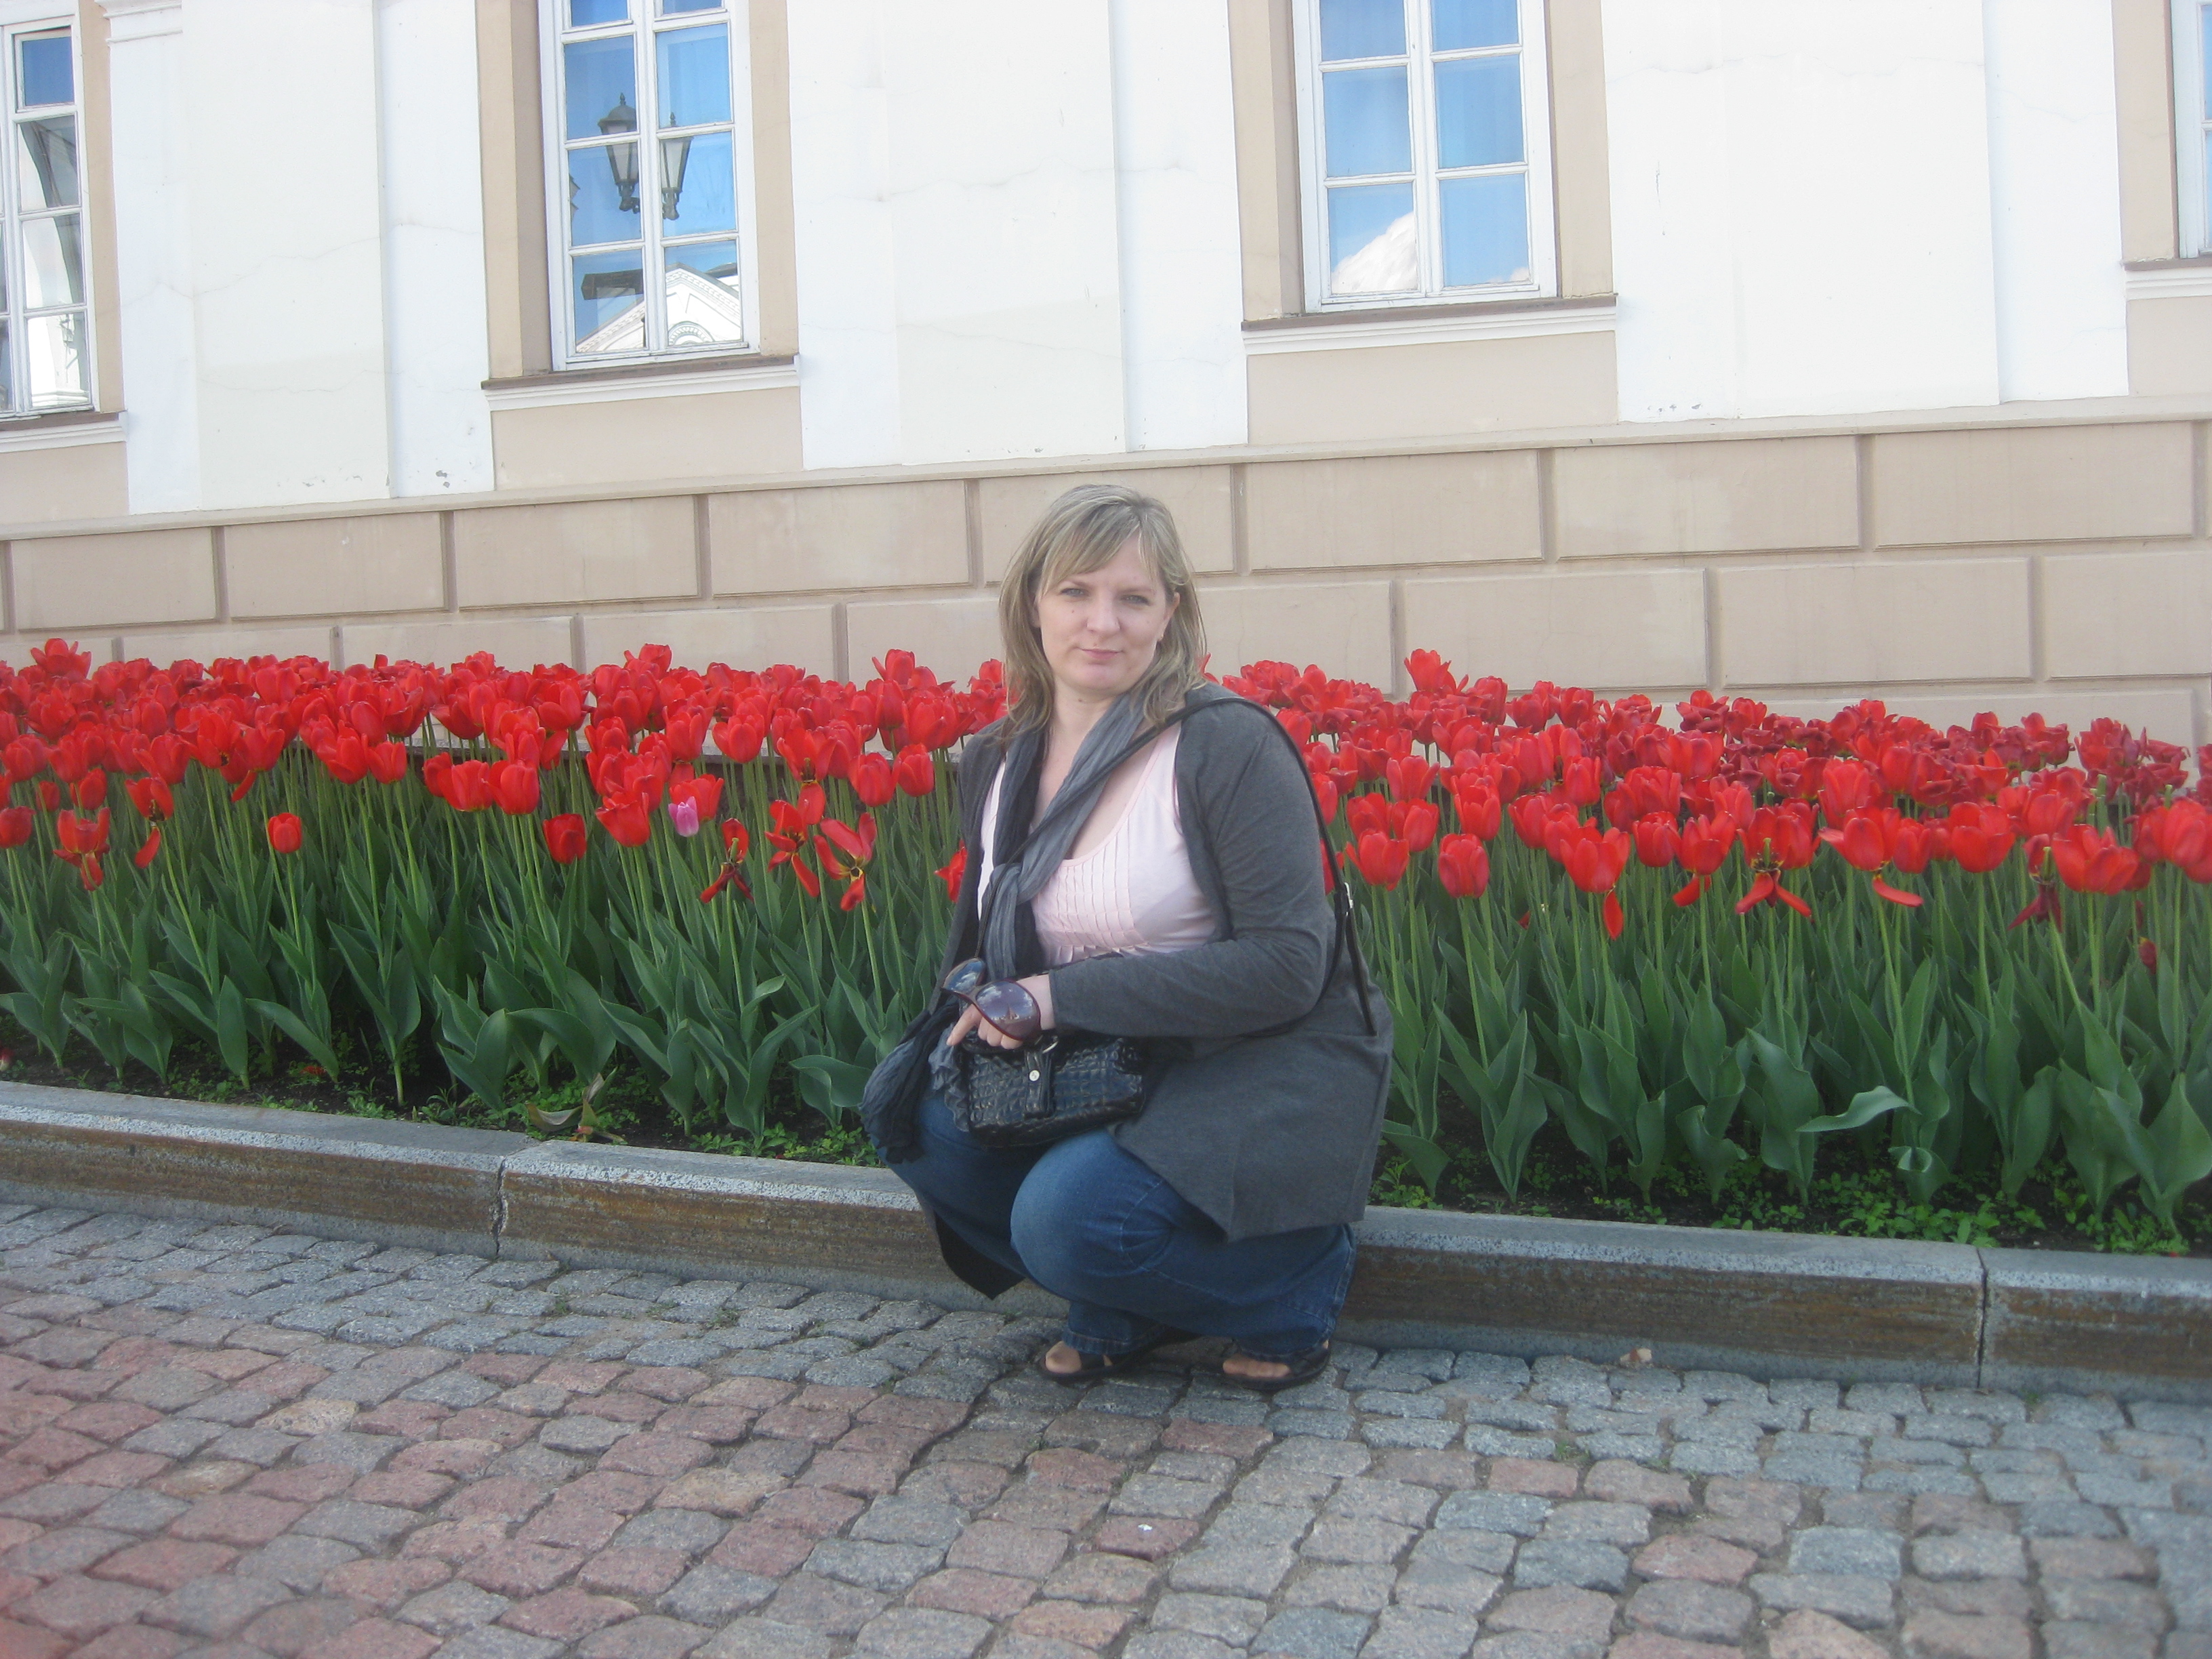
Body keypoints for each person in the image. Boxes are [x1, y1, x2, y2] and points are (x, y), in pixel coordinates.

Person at [865, 483, 1393, 1390]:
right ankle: (1133, 1298)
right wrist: (986, 1006)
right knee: (912, 1116)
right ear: (1033, 603)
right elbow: (994, 931)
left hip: (1241, 1059)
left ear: (1169, 614)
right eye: (1076, 592)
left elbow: (1288, 968)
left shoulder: (1224, 745)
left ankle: (1291, 1284)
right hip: (1097, 1059)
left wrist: (1057, 996)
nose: (1101, 622)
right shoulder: (999, 756)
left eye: (1133, 598)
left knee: (1067, 1222)